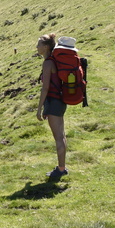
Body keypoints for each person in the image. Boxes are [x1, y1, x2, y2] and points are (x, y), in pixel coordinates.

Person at [36, 32, 72, 180]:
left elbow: (45, 88)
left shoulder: (48, 63)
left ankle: (61, 169)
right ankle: (62, 167)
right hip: (59, 101)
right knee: (61, 135)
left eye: (38, 44)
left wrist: (39, 108)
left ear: (45, 47)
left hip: (54, 100)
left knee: (58, 137)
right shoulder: (52, 61)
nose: (36, 47)